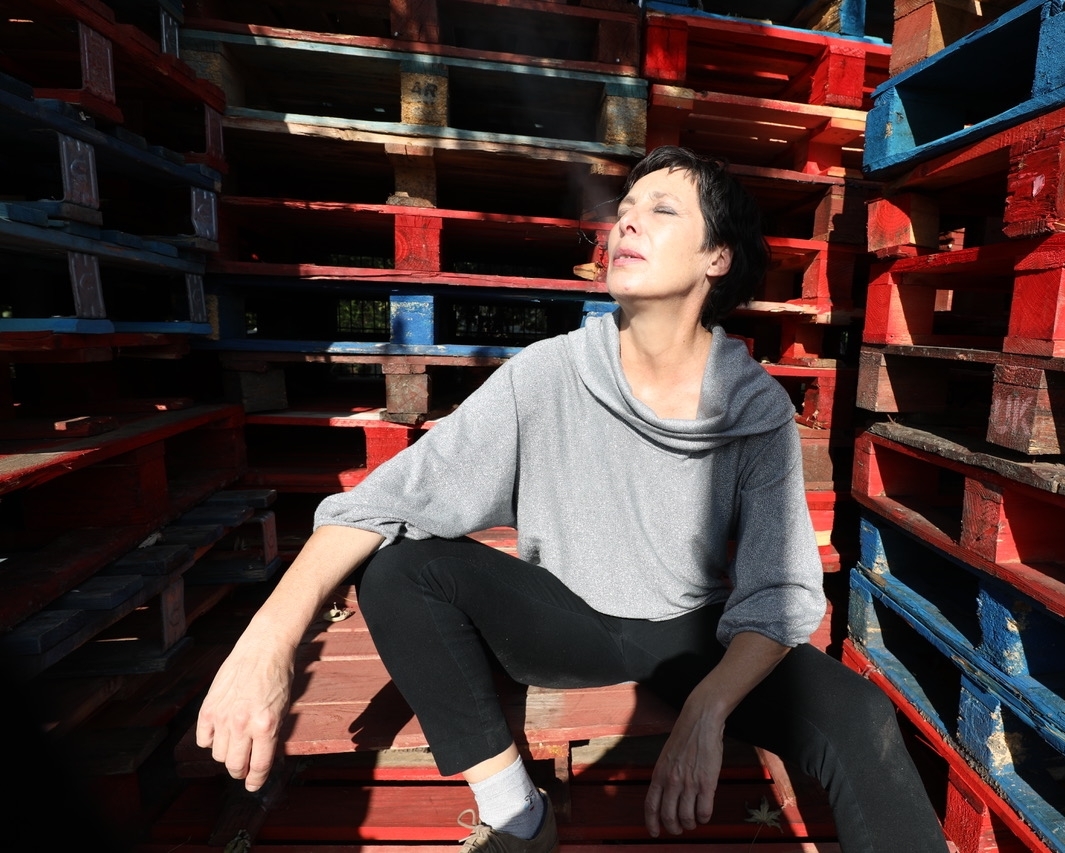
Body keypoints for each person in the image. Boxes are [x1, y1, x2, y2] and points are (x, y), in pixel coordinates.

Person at [196, 146, 950, 852]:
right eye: (625, 208)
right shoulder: (547, 374)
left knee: (861, 717)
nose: (626, 222)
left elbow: (779, 592)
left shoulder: (754, 409)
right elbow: (384, 501)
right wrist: (267, 644)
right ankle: (517, 815)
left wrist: (709, 707)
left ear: (716, 258)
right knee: (399, 569)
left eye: (661, 210)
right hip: (561, 621)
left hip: (692, 635)